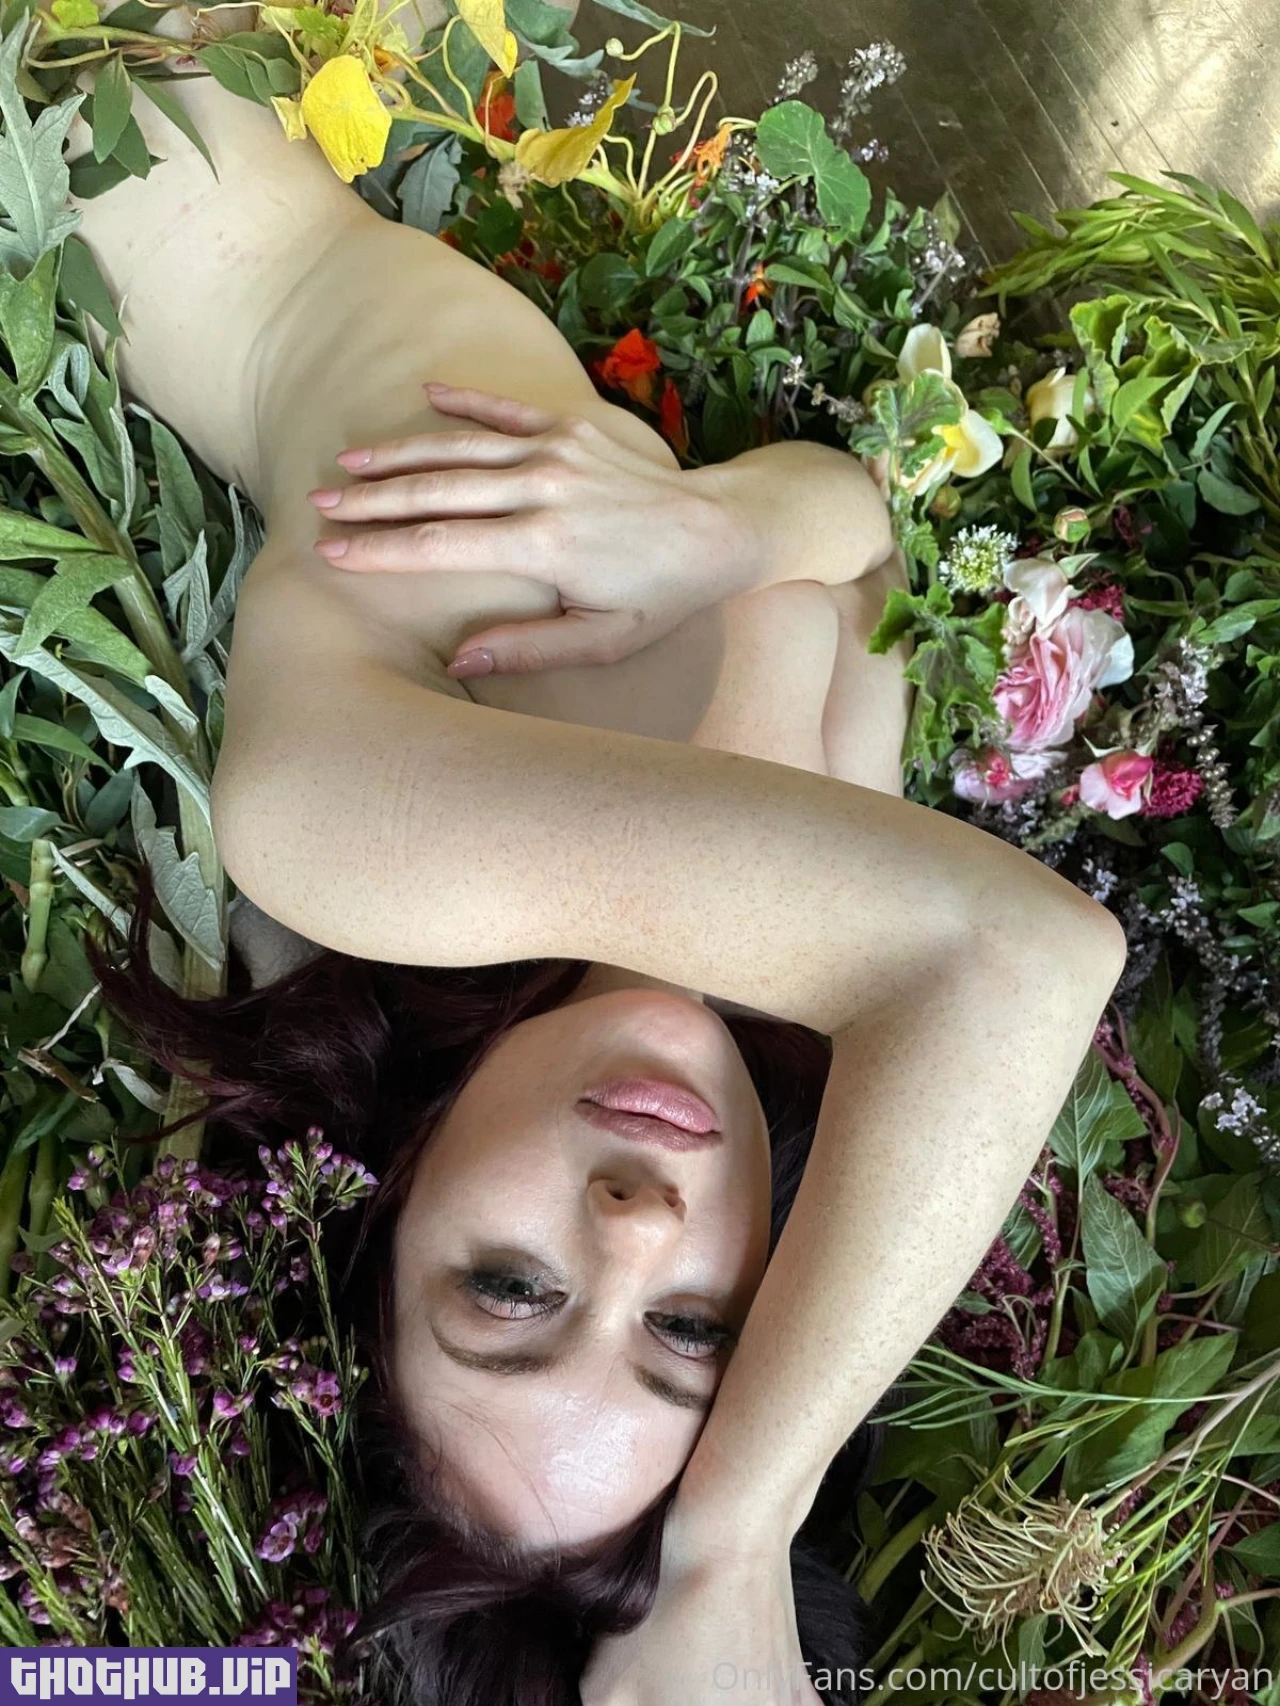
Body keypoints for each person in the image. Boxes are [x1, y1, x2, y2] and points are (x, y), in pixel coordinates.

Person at [71, 3, 1128, 1699]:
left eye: (510, 1287)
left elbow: (1024, 957)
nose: (637, 1226)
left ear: (390, 1201)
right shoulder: (788, 956)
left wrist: (734, 1542)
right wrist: (725, 525)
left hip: (86, 99)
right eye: (691, 1329)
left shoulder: (348, 839)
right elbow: (862, 545)